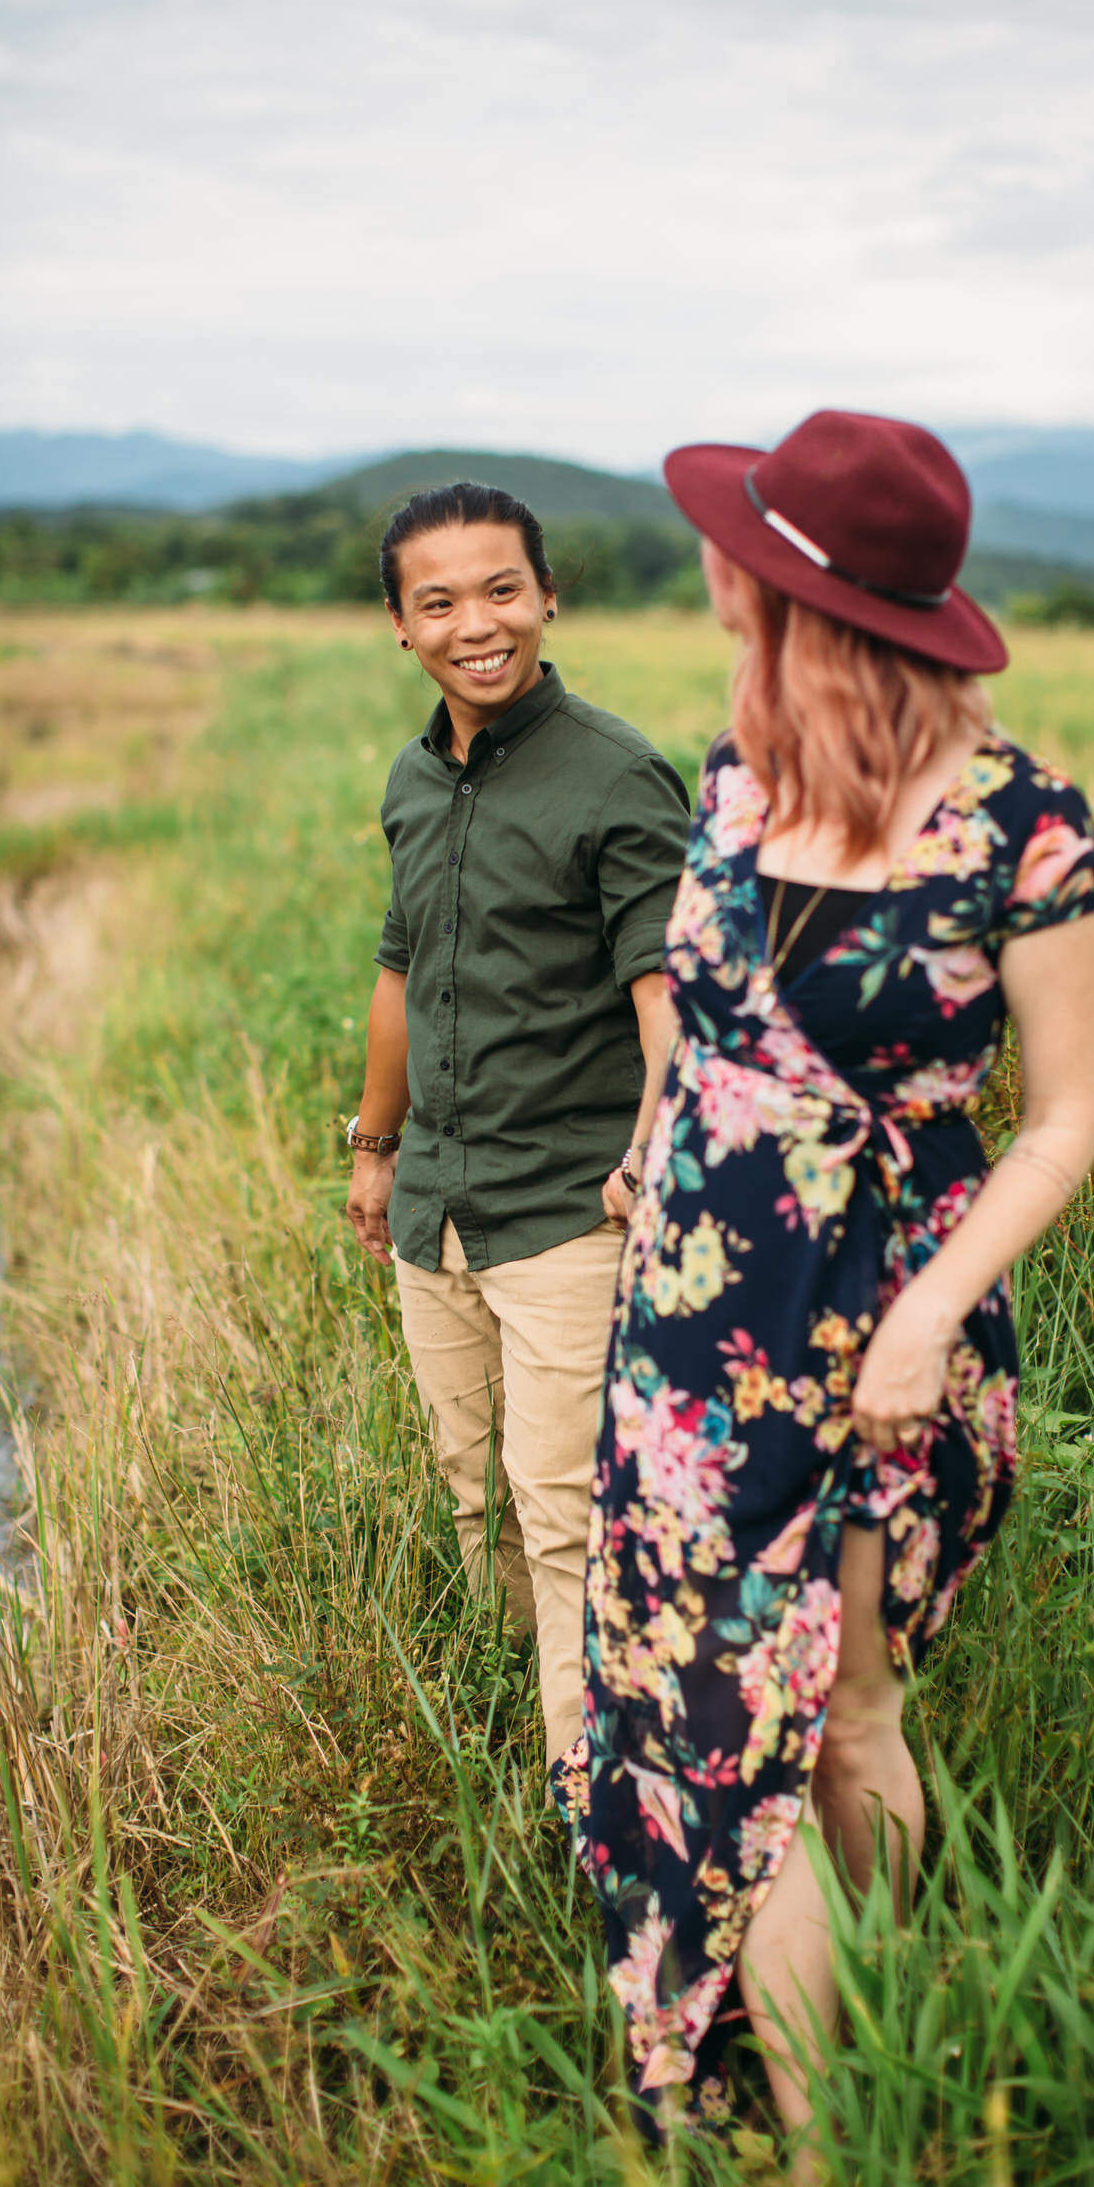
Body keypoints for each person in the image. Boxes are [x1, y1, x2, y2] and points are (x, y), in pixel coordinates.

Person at [558, 411, 1094, 2154]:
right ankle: (811, 2108)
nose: (718, 575)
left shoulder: (1023, 833)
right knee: (716, 1713)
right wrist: (657, 1136)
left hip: (878, 1328)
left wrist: (932, 1316)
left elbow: (1065, 1120)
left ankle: (834, 2099)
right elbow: (713, 1021)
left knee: (846, 1718)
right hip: (688, 1335)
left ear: (812, 601)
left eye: (746, 556)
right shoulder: (732, 781)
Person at [344, 481, 689, 1770]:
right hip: (439, 1203)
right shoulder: (413, 779)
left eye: (501, 590)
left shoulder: (618, 776)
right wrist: (379, 1153)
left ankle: (593, 1807)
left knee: (569, 1520)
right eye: (439, 601)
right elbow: (400, 968)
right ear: (400, 623)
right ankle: (544, 1743)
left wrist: (653, 1153)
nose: (476, 623)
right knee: (477, 1499)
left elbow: (671, 998)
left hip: (566, 1216)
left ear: (548, 597)